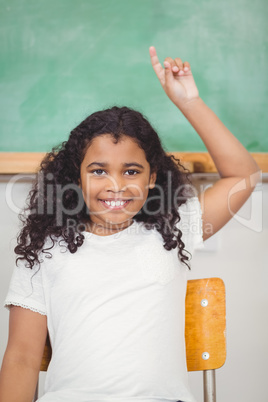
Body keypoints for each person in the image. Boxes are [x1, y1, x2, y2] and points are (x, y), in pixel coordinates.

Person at [0, 46, 260, 402]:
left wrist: (189, 102)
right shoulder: (45, 249)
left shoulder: (171, 230)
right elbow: (21, 358)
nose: (116, 185)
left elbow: (243, 176)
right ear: (76, 177)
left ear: (152, 177)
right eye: (98, 171)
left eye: (131, 171)